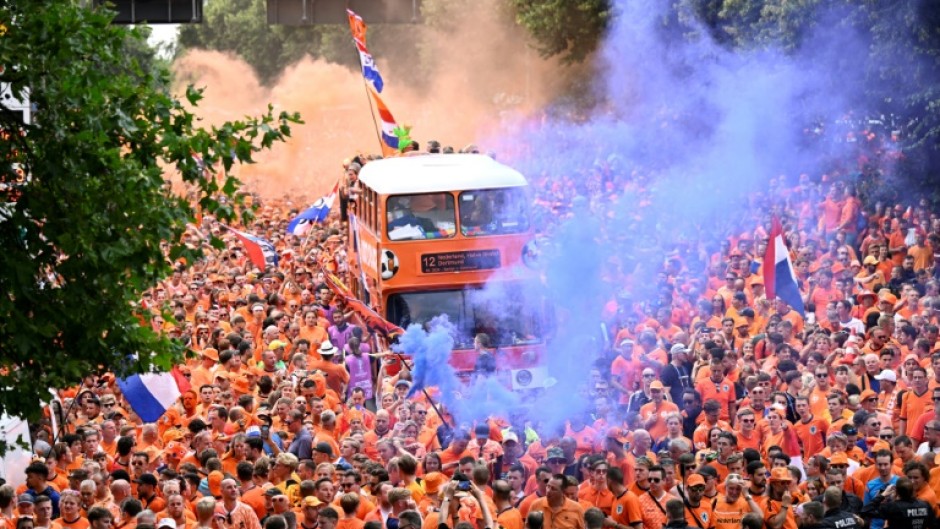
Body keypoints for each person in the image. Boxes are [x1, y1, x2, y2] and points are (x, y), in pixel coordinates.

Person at [861, 479, 936, 529]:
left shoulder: (893, 507)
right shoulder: (925, 505)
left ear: (896, 491)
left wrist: (883, 495)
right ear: (913, 490)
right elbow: (934, 525)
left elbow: (865, 510)